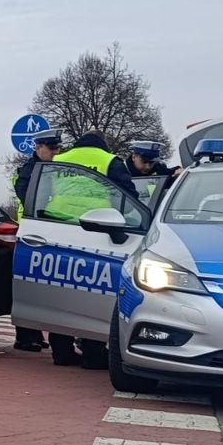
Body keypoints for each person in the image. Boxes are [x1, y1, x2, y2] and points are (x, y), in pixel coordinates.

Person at [41, 131, 135, 369]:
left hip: (57, 228)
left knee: (59, 292)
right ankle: (93, 354)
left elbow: (39, 192)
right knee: (93, 293)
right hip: (97, 232)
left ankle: (61, 351)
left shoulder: (59, 159)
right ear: (103, 145)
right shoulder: (110, 161)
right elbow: (129, 197)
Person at [12, 129, 63, 352]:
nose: (56, 152)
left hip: (43, 231)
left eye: (57, 148)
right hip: (31, 234)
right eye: (51, 148)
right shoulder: (30, 170)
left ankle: (35, 334)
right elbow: (27, 196)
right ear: (39, 147)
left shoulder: (50, 168)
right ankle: (25, 337)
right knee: (29, 285)